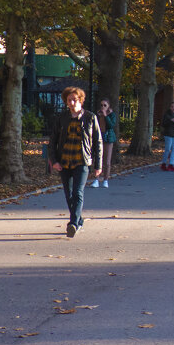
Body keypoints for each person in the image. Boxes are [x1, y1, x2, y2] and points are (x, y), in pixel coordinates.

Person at [49, 87, 102, 238]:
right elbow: (53, 141)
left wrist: (98, 165)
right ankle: (78, 219)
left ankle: (72, 223)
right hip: (64, 161)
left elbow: (98, 142)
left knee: (78, 192)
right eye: (68, 100)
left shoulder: (90, 117)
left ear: (80, 100)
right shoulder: (62, 118)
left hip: (82, 161)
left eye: (74, 100)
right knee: (68, 194)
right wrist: (54, 161)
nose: (71, 103)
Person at [93, 99, 117, 188]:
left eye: (105, 105)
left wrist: (106, 115)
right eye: (101, 105)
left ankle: (105, 180)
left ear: (108, 106)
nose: (103, 107)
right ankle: (96, 179)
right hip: (99, 138)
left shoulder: (111, 115)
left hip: (108, 138)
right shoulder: (98, 115)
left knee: (107, 160)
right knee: (98, 159)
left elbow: (111, 125)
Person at [160, 101, 174, 171]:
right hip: (168, 134)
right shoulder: (167, 115)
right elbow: (163, 124)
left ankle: (171, 164)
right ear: (170, 107)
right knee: (167, 149)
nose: (173, 108)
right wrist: (170, 121)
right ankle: (164, 164)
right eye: (172, 107)